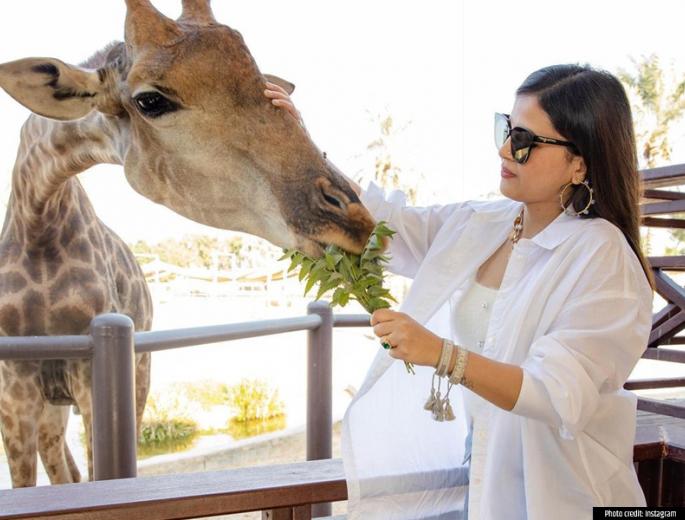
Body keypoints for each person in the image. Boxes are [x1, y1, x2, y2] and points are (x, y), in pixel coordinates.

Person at [265, 64, 655, 519]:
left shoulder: (603, 256)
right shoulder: (483, 222)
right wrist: (303, 147)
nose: (505, 149)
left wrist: (440, 354)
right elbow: (384, 224)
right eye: (506, 128)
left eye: (525, 141)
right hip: (485, 472)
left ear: (579, 163)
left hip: (566, 492)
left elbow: (555, 392)